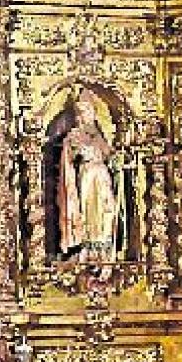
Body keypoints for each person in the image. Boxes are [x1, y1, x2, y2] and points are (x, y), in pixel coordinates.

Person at [57, 92, 120, 259]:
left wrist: (117, 160)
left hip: (102, 175)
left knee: (108, 208)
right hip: (87, 176)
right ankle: (89, 247)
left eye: (89, 111)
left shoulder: (99, 135)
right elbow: (71, 156)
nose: (86, 115)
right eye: (83, 111)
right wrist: (81, 151)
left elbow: (109, 155)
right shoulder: (74, 135)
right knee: (89, 209)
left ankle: (104, 246)